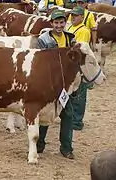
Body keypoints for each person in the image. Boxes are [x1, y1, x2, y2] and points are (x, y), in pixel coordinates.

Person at [36, 9, 76, 159]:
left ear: (65, 23)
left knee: (68, 114)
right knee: (46, 113)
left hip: (65, 84)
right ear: (51, 23)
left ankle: (66, 148)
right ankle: (40, 143)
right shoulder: (43, 40)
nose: (59, 25)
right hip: (49, 83)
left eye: (62, 22)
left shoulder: (71, 38)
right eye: (56, 23)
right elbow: (39, 63)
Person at [67, 0, 97, 130]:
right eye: (72, 15)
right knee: (73, 93)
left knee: (80, 94)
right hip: (72, 63)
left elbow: (81, 49)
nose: (72, 17)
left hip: (80, 64)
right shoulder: (71, 27)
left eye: (75, 15)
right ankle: (73, 118)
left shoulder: (84, 30)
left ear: (82, 17)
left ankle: (77, 121)